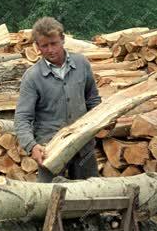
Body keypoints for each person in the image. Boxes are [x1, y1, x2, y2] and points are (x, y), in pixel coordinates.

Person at [14, 17, 101, 182]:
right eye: (44, 46)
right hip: (50, 150)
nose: (50, 50)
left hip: (84, 146)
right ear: (37, 47)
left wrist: (102, 121)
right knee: (49, 200)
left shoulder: (81, 64)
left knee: (89, 196)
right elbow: (22, 117)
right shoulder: (32, 77)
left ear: (62, 39)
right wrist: (31, 146)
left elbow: (93, 100)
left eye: (54, 43)